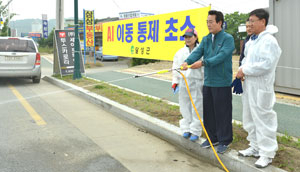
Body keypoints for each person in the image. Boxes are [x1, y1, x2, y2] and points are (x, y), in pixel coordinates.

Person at [181, 10, 235, 154]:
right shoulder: (205, 39)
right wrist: (187, 61)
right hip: (208, 82)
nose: (208, 24)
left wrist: (203, 63)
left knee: (222, 112)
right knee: (209, 112)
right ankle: (212, 138)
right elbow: (197, 53)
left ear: (220, 23)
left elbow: (222, 56)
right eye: (207, 22)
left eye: (211, 22)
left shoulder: (228, 39)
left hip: (222, 82)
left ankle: (224, 140)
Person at [236, 9, 282, 168]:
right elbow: (246, 60)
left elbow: (267, 65)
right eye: (248, 21)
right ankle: (255, 147)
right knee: (249, 117)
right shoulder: (251, 41)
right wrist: (241, 71)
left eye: (252, 21)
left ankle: (267, 154)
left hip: (262, 86)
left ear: (263, 22)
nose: (250, 24)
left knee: (264, 119)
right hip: (249, 84)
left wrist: (245, 70)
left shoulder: (269, 40)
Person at [172, 28, 204, 142]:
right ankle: (186, 128)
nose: (187, 39)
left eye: (190, 37)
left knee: (197, 107)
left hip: (197, 82)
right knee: (184, 105)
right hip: (183, 81)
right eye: (186, 37)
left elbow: (205, 66)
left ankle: (195, 130)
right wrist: (175, 82)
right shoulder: (180, 52)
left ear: (195, 37)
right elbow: (175, 67)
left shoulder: (202, 50)